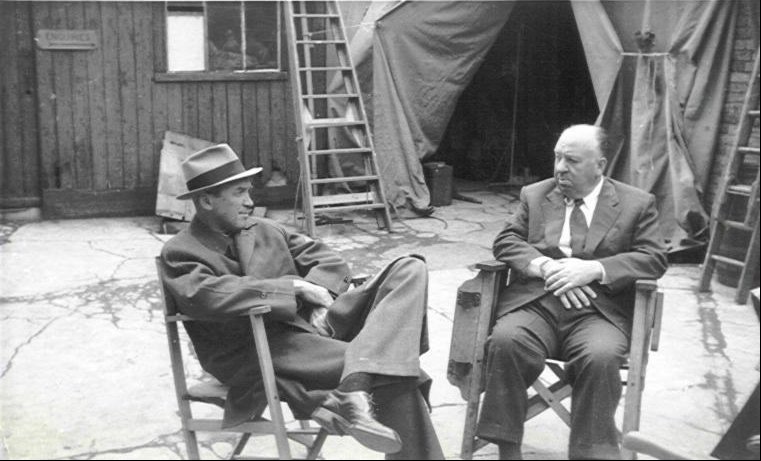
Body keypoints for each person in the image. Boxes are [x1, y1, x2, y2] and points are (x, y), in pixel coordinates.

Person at [161, 144, 444, 459]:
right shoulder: (181, 252)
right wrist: (294, 288)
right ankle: (358, 381)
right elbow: (206, 295)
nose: (250, 201)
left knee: (410, 267)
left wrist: (318, 297)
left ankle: (356, 383)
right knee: (395, 370)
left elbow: (329, 261)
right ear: (206, 201)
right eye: (239, 193)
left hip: (318, 325)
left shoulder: (266, 230)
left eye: (248, 191)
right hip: (267, 349)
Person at [476, 124, 668, 459]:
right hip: (538, 303)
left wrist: (594, 269)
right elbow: (506, 240)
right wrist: (545, 266)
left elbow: (654, 258)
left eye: (572, 161)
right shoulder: (536, 194)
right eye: (558, 158)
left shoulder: (636, 203)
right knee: (506, 341)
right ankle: (507, 448)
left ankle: (590, 454)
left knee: (601, 357)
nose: (560, 168)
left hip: (598, 311)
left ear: (600, 165)